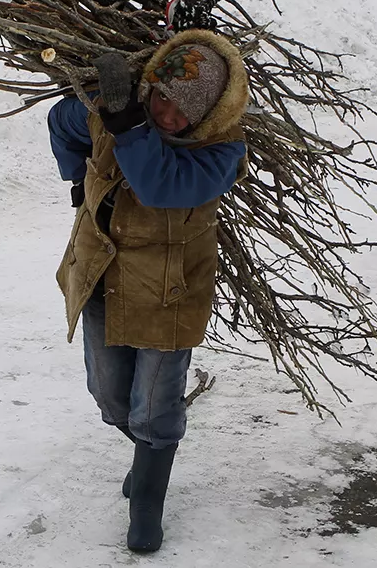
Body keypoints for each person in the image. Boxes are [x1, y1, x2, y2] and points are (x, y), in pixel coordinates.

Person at [46, 29, 248, 552]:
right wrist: (77, 174)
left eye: (181, 109)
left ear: (206, 114)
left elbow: (161, 186)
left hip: (168, 296)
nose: (165, 115)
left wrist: (130, 126)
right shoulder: (112, 114)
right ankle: (146, 459)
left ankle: (147, 504)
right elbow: (61, 120)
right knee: (110, 399)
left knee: (153, 412)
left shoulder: (221, 152)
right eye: (159, 97)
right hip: (99, 278)